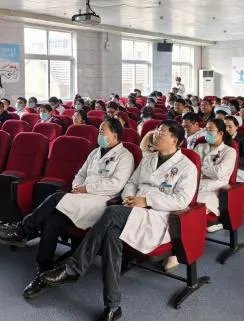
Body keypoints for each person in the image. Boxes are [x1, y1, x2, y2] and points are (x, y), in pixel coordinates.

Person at [38, 121, 197, 321]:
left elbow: (182, 200)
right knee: (111, 237)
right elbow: (131, 182)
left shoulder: (187, 167)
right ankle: (113, 306)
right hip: (133, 210)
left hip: (158, 218)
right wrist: (129, 198)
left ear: (176, 140)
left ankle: (75, 267)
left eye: (162, 133)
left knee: (112, 212)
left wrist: (146, 201)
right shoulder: (149, 159)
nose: (156, 134)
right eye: (156, 131)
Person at [0, 118, 135, 300]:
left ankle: (23, 229)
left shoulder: (125, 157)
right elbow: (80, 174)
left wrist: (86, 189)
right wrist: (77, 187)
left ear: (115, 134)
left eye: (102, 131)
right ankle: (43, 270)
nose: (99, 135)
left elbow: (115, 185)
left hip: (101, 201)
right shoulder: (95, 152)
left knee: (56, 197)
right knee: (52, 220)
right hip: (81, 197)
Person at [195, 119, 236, 229]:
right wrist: (206, 170)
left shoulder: (229, 151)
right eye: (206, 129)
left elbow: (219, 172)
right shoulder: (200, 147)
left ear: (220, 133)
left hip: (216, 186)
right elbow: (191, 167)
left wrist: (200, 168)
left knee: (196, 203)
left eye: (210, 130)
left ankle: (210, 223)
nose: (207, 132)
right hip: (196, 182)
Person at [224, 117, 244, 184]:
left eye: (230, 127)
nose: (226, 129)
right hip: (224, 166)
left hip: (241, 170)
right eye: (225, 126)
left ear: (236, 126)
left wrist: (228, 162)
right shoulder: (221, 137)